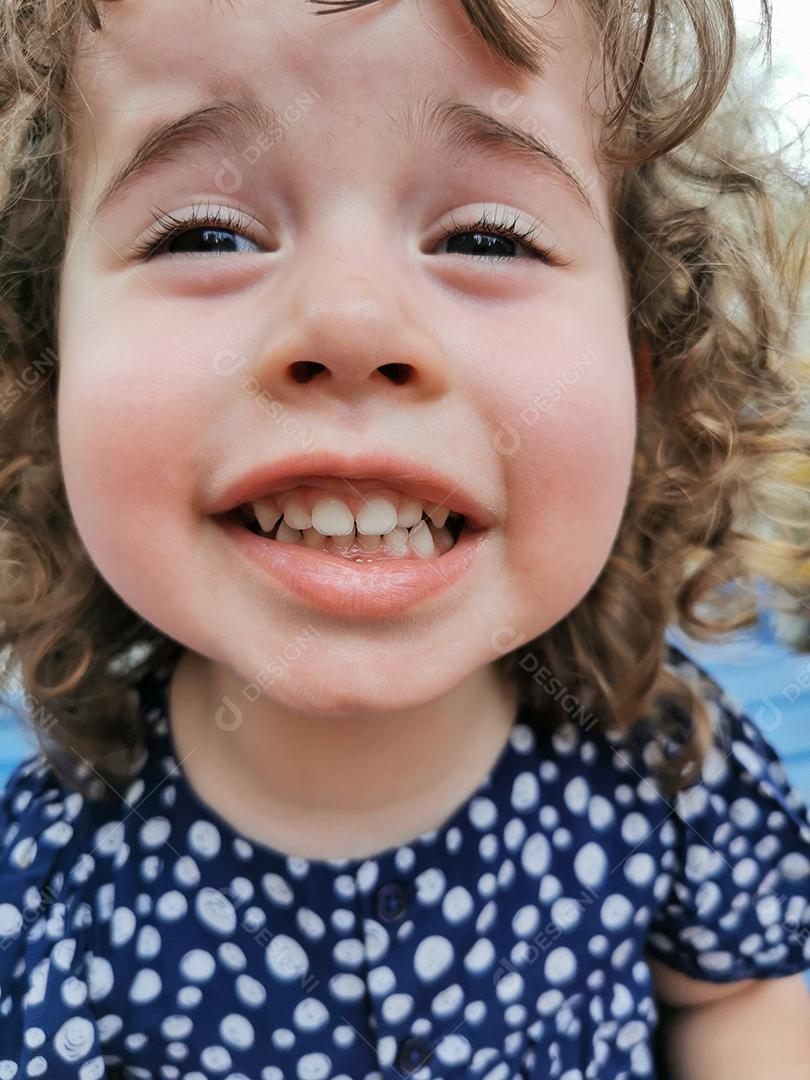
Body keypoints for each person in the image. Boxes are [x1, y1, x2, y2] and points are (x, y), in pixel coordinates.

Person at [0, 0, 808, 1075]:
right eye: (203, 232)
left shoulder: (671, 770)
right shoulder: (44, 876)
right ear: (43, 362)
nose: (349, 324)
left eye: (485, 239)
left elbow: (737, 994)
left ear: (643, 369)